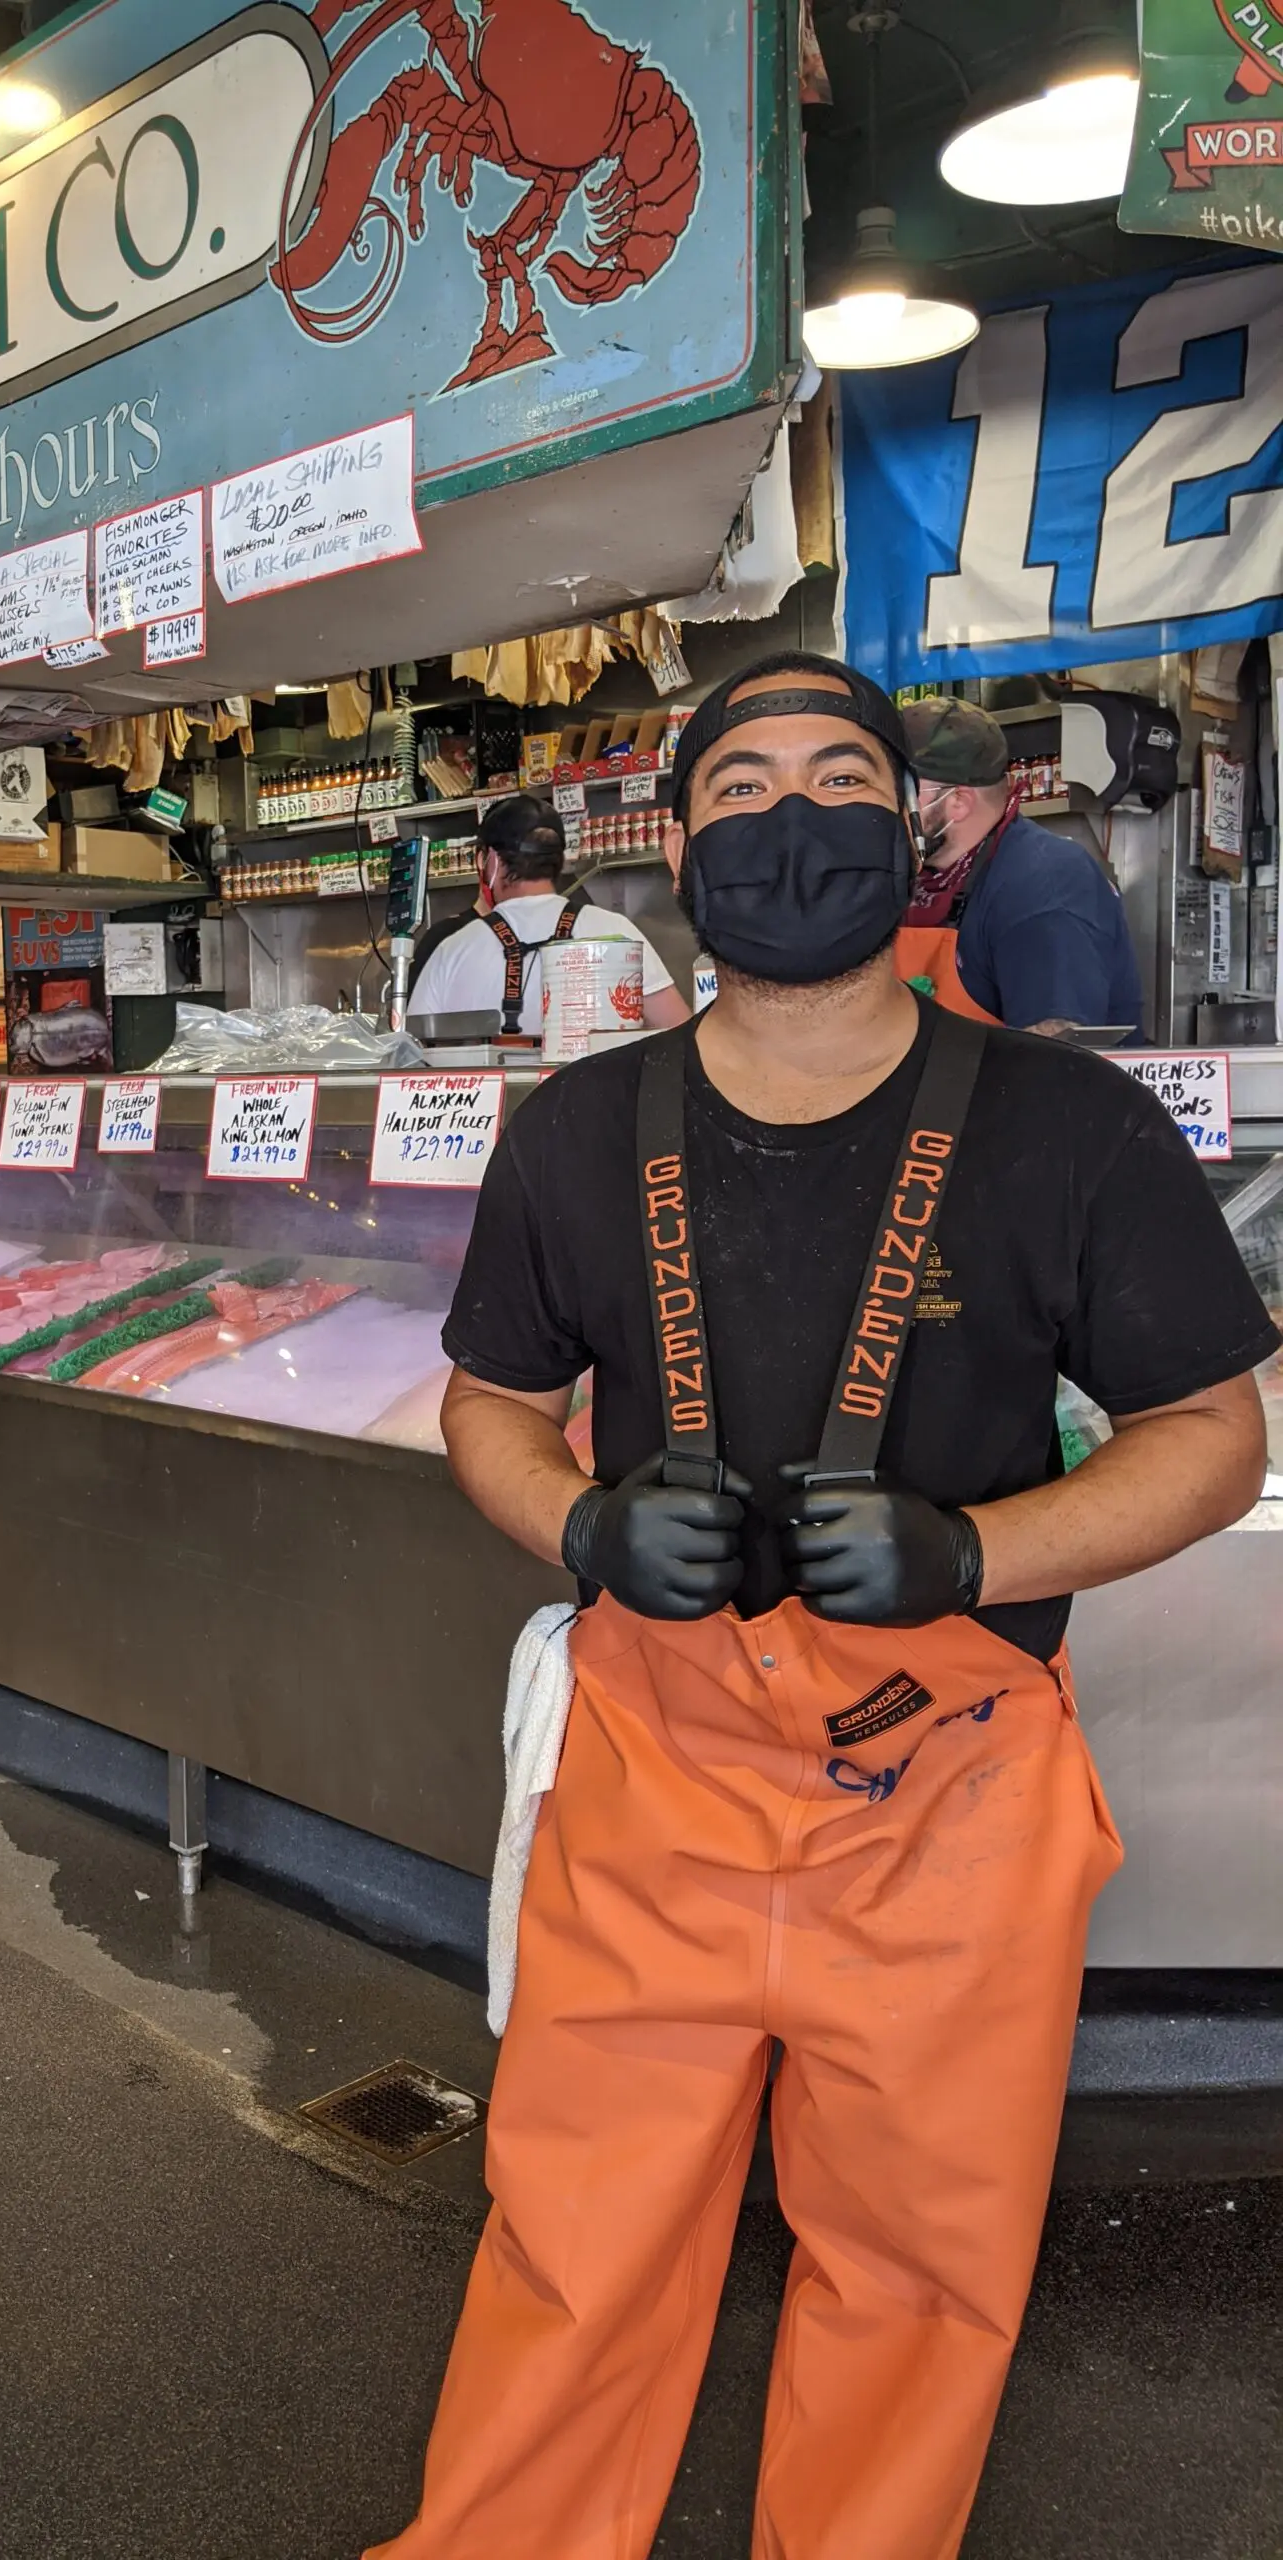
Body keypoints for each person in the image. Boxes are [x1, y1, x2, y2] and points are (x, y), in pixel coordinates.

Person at [371, 650, 1275, 2560]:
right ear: (683, 846)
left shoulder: (1070, 1125)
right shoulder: (574, 1132)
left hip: (948, 1797)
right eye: (750, 786)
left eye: (843, 778)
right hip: (655, 1779)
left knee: (920, 2274)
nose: (797, 818)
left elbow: (1207, 1430)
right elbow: (492, 1408)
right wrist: (582, 1532)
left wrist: (979, 1554)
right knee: (575, 2245)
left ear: (922, 829)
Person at [897, 695, 1145, 1034]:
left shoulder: (1044, 883)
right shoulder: (915, 876)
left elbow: (1056, 1052)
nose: (884, 804)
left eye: (902, 790)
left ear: (957, 802)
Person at [405, 791, 688, 1037]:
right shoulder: (616, 932)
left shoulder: (453, 950)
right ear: (560, 860)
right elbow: (681, 1033)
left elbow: (412, 1055)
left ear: (490, 861)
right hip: (601, 1097)